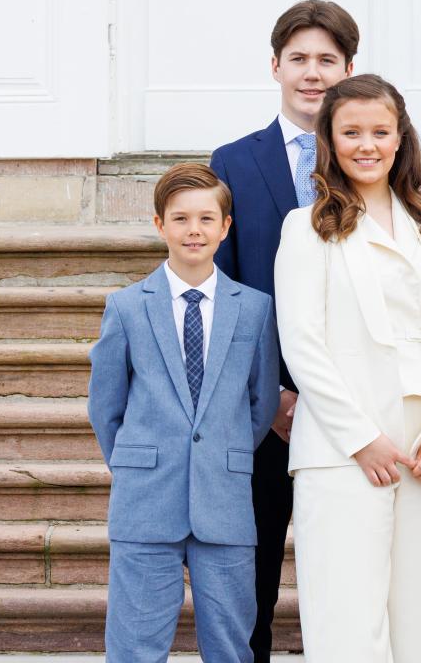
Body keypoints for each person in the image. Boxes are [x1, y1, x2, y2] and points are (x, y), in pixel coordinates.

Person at [274, 74, 421, 663]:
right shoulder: (306, 228)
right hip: (344, 445)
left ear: (400, 138)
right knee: (347, 616)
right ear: (328, 143)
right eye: (351, 132)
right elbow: (302, 346)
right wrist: (362, 440)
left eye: (380, 132)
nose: (367, 145)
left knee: (413, 617)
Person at [208, 0, 359, 660]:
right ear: (275, 66)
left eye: (327, 59)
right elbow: (224, 291)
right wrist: (269, 395)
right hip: (264, 414)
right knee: (253, 579)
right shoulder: (235, 163)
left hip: (353, 407)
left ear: (349, 68)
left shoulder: (371, 157)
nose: (312, 73)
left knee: (346, 581)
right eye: (298, 58)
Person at [88, 163, 280, 662]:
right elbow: (106, 407)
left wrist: (224, 449)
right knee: (135, 642)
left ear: (225, 227)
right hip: (146, 498)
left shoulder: (254, 309)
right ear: (159, 225)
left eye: (205, 219)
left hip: (225, 495)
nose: (193, 230)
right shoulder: (127, 307)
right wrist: (138, 461)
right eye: (180, 219)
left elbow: (260, 404)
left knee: (231, 642)